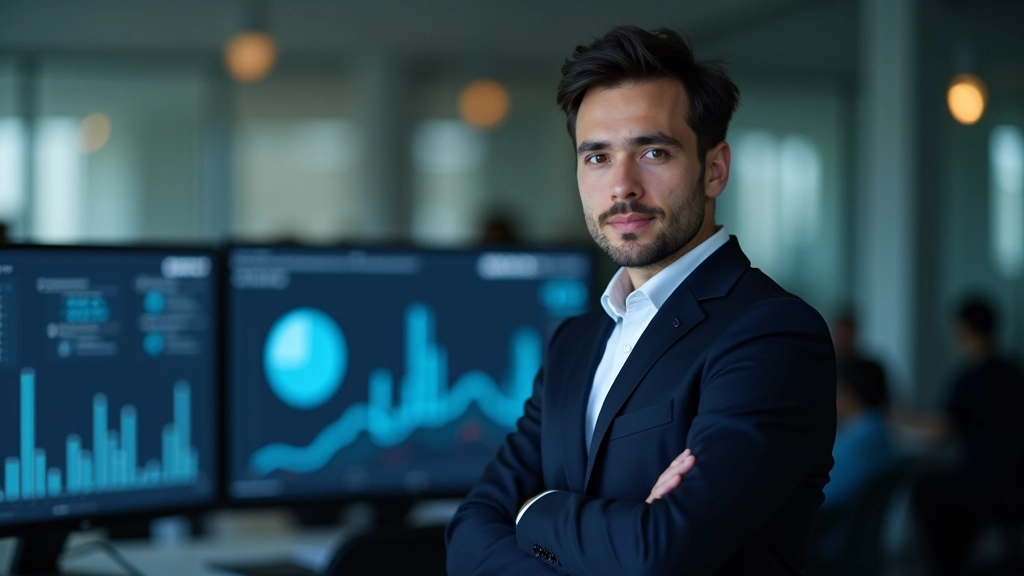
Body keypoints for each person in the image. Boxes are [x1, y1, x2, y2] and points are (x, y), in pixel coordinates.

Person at [445, 26, 837, 575]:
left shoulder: (772, 334)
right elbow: (469, 531)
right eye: (598, 157)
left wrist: (534, 509)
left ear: (714, 169)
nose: (622, 186)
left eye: (653, 151)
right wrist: (613, 536)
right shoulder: (575, 342)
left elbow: (660, 554)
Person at [912, 297, 1024, 576]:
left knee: (925, 489)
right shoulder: (1014, 373)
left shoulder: (970, 377)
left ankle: (948, 567)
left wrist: (896, 420)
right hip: (1014, 482)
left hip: (981, 482)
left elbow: (939, 431)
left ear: (962, 330)